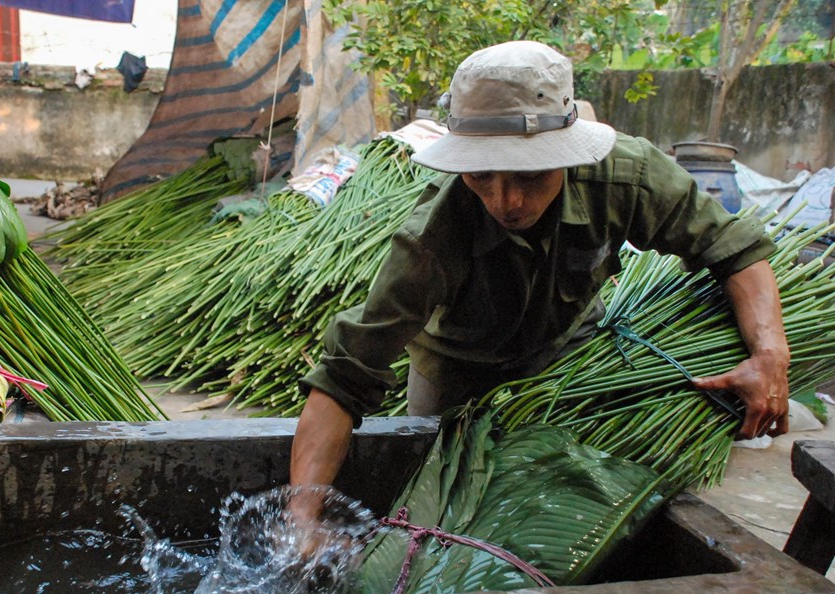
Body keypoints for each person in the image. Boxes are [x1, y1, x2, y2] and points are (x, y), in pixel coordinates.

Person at [289, 41, 790, 495]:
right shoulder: (433, 238)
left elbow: (731, 247)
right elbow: (345, 377)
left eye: (530, 175)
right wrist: (302, 515)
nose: (505, 201)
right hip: (455, 371)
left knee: (570, 491)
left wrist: (770, 354)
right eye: (481, 175)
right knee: (449, 493)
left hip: (572, 355)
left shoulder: (626, 176)